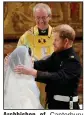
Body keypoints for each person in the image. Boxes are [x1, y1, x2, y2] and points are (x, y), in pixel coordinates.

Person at [14, 24, 82, 109]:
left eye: (56, 40)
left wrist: (33, 72)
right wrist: (21, 63)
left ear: (66, 41)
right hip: (53, 104)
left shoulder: (73, 61)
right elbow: (42, 64)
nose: (53, 43)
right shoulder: (57, 55)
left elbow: (58, 78)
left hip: (67, 106)